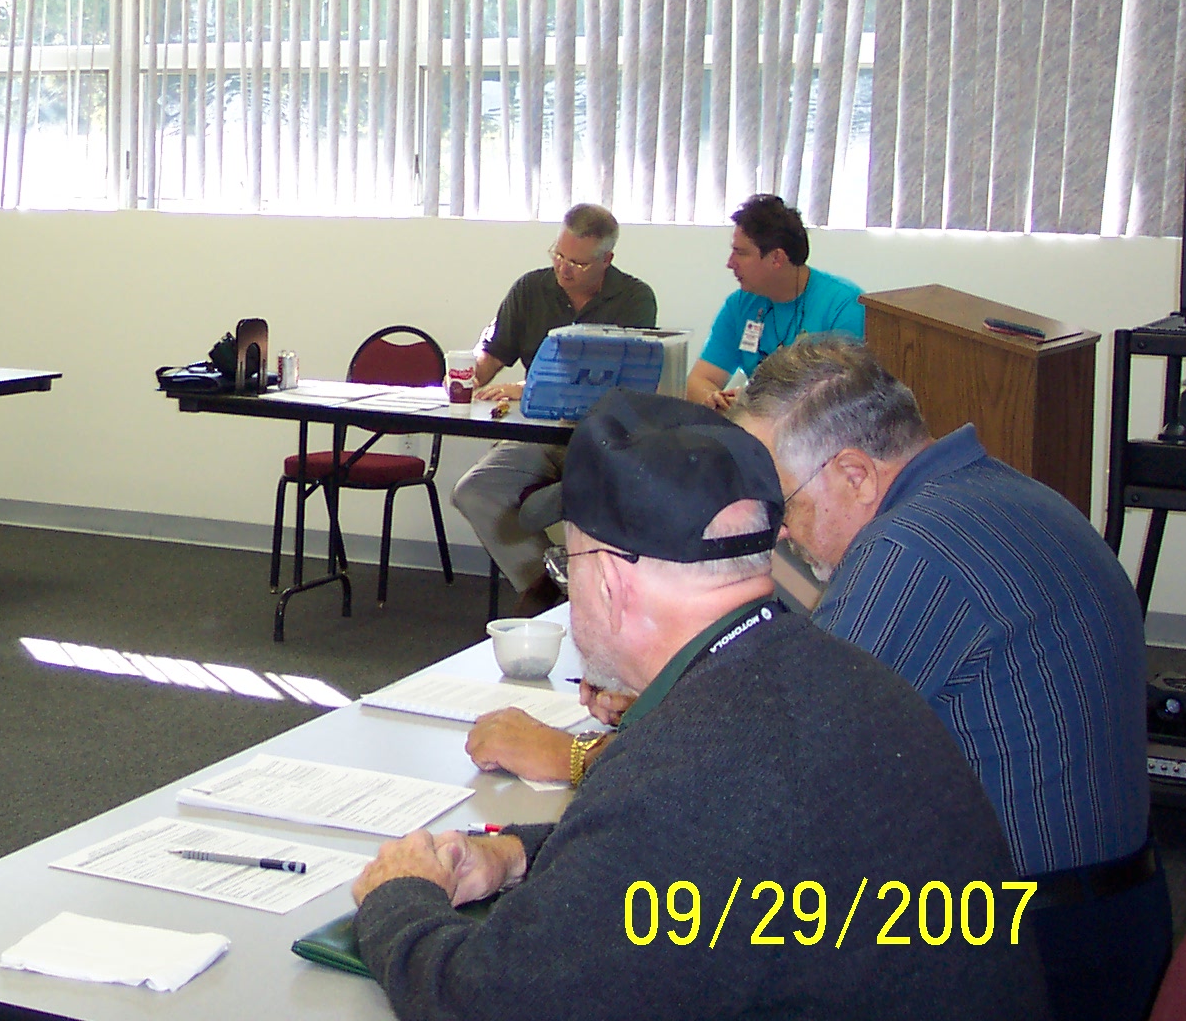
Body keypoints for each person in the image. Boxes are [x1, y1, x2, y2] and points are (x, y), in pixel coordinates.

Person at [349, 389, 1045, 1021]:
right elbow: (711, 867)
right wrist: (514, 856)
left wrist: (399, 896)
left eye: (567, 566)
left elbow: (494, 1003)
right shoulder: (820, 674)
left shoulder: (695, 769)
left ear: (611, 580)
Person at [732, 339, 1166, 1021]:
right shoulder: (1002, 493)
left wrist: (591, 753)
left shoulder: (910, 547)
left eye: (784, 503)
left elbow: (776, 762)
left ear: (854, 473)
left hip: (1035, 950)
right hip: (1103, 917)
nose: (782, 531)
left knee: (696, 931)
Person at [451, 203, 656, 609]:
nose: (563, 269)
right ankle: (554, 592)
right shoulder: (531, 289)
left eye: (577, 263)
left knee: (607, 503)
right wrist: (466, 375)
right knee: (474, 490)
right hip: (539, 432)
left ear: (606, 260)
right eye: (558, 255)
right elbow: (492, 354)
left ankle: (586, 596)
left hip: (602, 437)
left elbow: (615, 384)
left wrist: (526, 387)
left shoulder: (634, 299)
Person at [683, 193, 862, 411]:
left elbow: (844, 400)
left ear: (777, 258)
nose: (730, 263)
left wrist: (757, 406)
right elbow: (699, 381)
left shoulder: (844, 306)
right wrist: (713, 399)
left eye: (741, 253)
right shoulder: (740, 305)